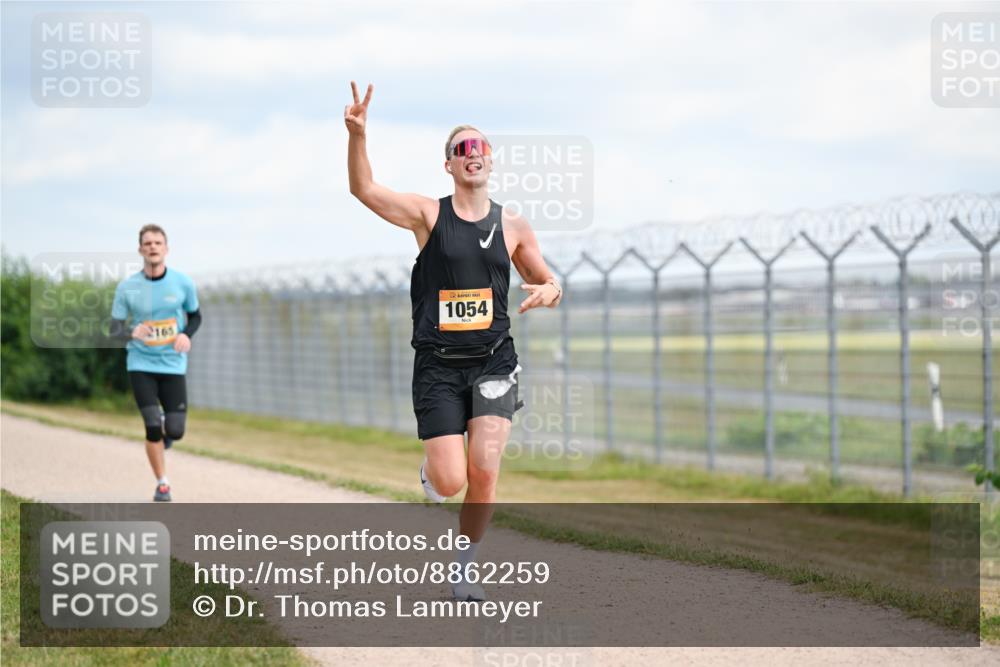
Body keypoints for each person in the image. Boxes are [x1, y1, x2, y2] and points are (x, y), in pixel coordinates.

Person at [345, 82, 562, 601]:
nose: (473, 155)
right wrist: (357, 136)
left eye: (480, 148)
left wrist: (550, 290)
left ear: (491, 161)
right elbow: (365, 190)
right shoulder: (428, 215)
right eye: (462, 149)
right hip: (439, 366)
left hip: (493, 362)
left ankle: (464, 566)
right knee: (450, 482)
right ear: (449, 165)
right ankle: (431, 471)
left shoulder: (511, 223)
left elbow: (547, 278)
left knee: (485, 470)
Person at [110, 224, 202, 502]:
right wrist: (130, 332)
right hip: (140, 363)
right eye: (147, 243)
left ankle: (166, 430)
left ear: (166, 249)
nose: (152, 247)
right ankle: (162, 484)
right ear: (140, 249)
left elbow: (196, 316)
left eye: (157, 243)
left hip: (173, 364)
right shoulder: (128, 288)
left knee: (175, 430)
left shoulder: (182, 283)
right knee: (151, 425)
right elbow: (114, 330)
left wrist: (186, 334)